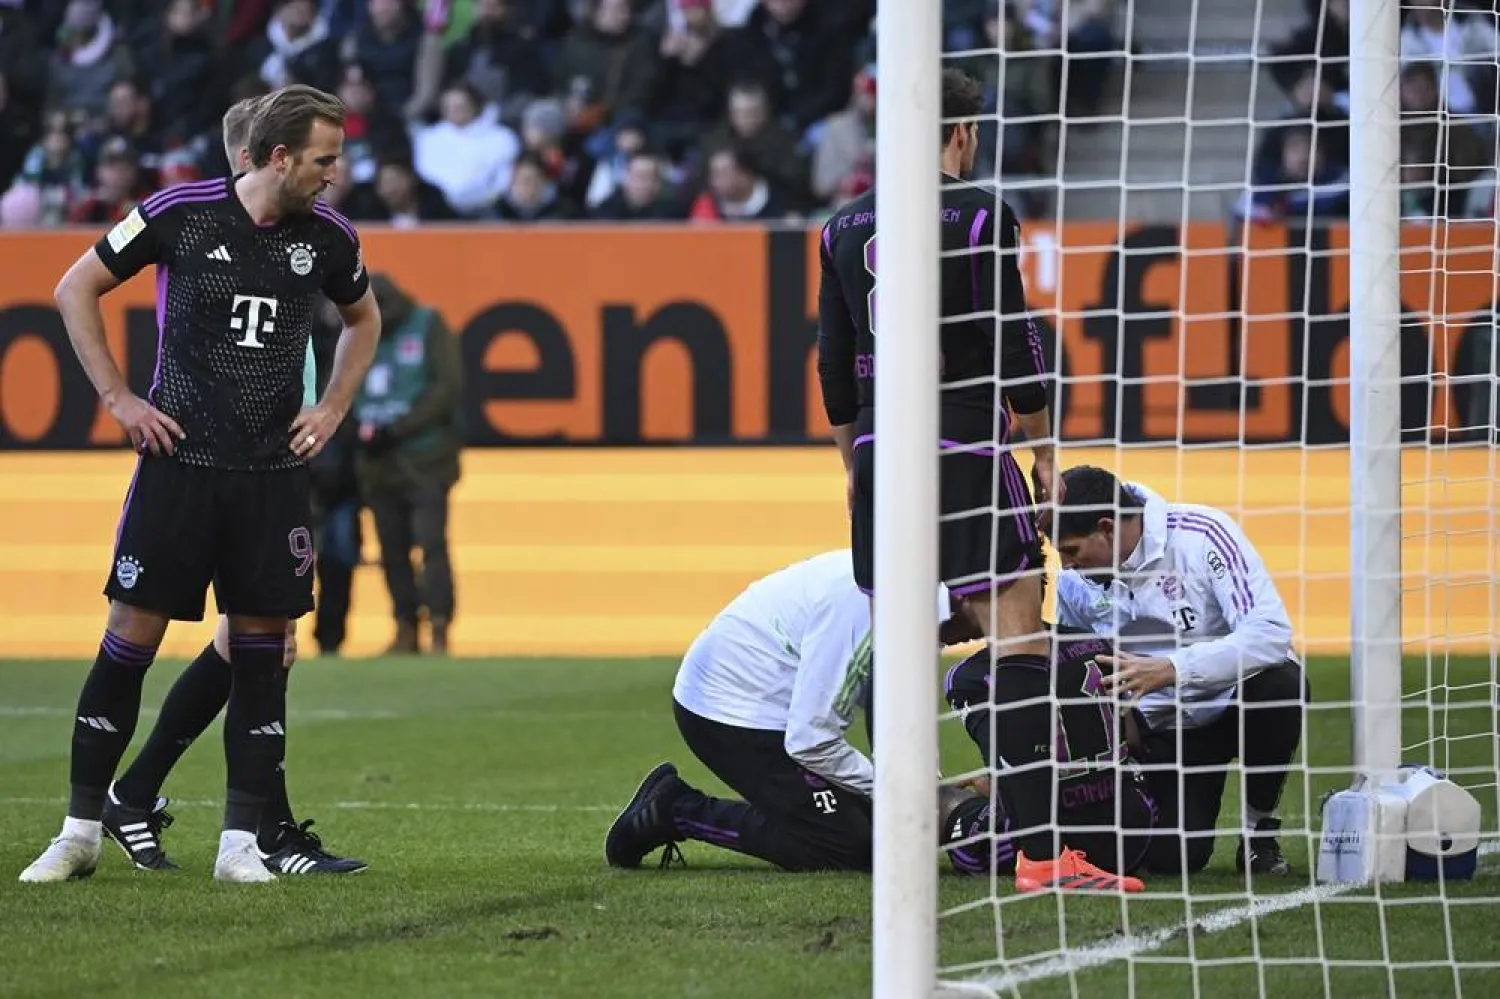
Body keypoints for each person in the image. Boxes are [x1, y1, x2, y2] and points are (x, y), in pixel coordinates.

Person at [19, 84, 381, 884]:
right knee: (128, 645)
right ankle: (78, 832)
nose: (336, 172)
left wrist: (332, 406)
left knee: (261, 658)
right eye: (325, 158)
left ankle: (240, 847)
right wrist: (119, 398)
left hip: (271, 478)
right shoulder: (179, 212)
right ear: (280, 156)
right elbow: (75, 286)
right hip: (178, 468)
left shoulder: (328, 238)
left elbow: (365, 318)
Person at [815, 67, 1083, 886]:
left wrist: (852, 461)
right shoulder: (977, 213)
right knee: (1019, 639)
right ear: (963, 133)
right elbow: (1017, 339)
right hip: (965, 441)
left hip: (880, 455)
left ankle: (903, 841)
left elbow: (832, 359)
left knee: (897, 651)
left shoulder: (842, 225)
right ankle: (1043, 854)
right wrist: (1041, 447)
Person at [604, 550, 961, 872]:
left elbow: (896, 706)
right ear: (963, 599)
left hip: (766, 707)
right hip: (727, 713)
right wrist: (901, 791)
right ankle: (676, 809)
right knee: (851, 848)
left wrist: (924, 783)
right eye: (983, 624)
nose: (975, 638)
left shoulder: (908, 592)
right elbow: (811, 740)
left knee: (881, 826)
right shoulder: (863, 610)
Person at [1047, 465, 1309, 876]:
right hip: (1164, 731)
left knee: (1282, 686)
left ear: (1106, 528)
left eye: (1073, 550)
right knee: (1172, 860)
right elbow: (1077, 665)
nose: (1066, 564)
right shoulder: (1074, 583)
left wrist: (1172, 669)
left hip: (1233, 700)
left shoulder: (1203, 534)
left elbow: (1270, 631)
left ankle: (1259, 834)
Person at [942, 620, 1155, 892]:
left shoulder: (970, 676)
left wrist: (988, 786)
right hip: (1133, 830)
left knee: (943, 800)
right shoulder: (1091, 641)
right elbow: (1134, 739)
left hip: (1059, 842)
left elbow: (1008, 777)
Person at [354, 272, 463, 655]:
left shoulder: (427, 325)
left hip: (425, 458)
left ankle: (438, 626)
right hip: (378, 463)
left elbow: (448, 387)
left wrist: (400, 427)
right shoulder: (357, 330)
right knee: (392, 549)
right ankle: (404, 627)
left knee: (431, 543)